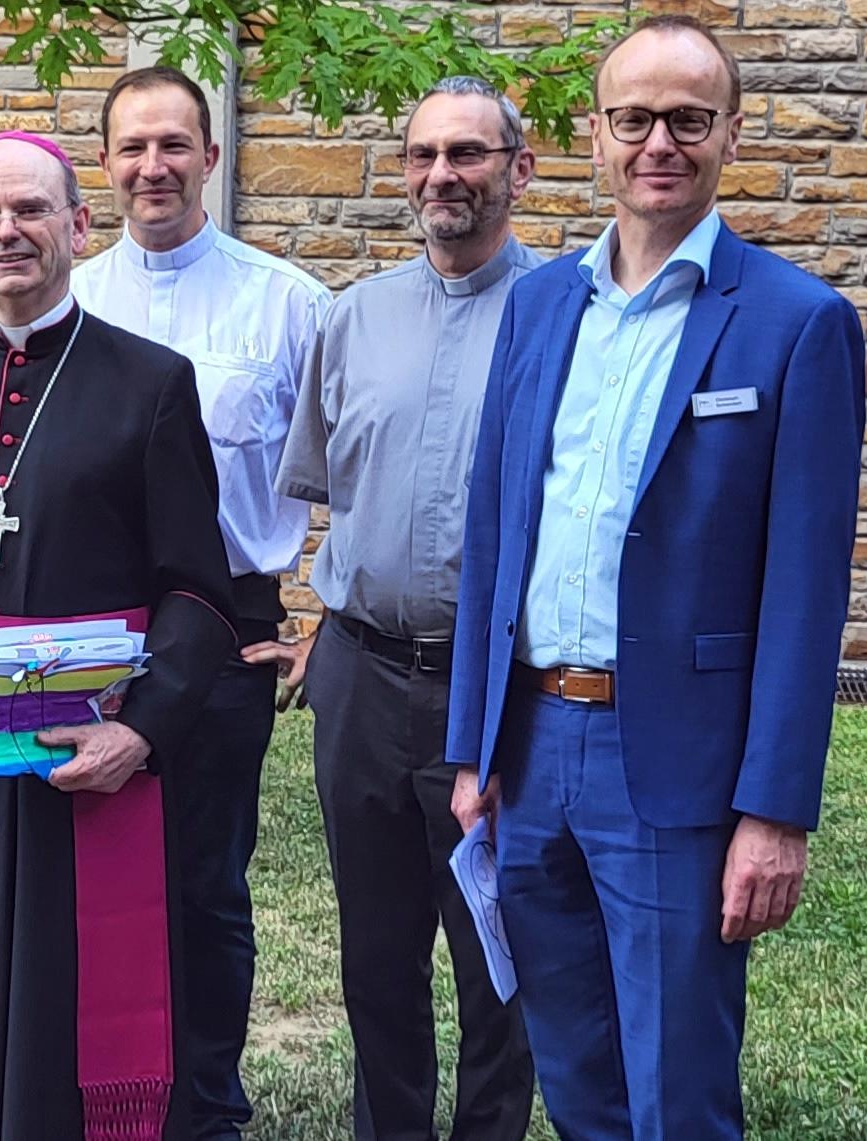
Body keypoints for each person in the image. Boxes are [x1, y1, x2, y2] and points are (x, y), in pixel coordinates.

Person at [445, 17, 866, 1138]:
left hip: (677, 766)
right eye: (633, 118)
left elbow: (806, 588)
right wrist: (474, 749)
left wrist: (775, 811)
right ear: (595, 135)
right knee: (577, 1076)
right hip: (533, 754)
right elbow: (495, 530)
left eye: (687, 119)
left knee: (677, 1092)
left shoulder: (797, 322)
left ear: (730, 132)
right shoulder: (538, 306)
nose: (658, 143)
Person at [0, 131, 237, 1141]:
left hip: (88, 754)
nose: (7, 231)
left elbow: (201, 595)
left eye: (30, 210)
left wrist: (140, 732)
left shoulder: (150, 383)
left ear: (77, 226)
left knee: (64, 1022)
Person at [276, 77, 541, 1141]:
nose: (445, 175)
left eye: (469, 154)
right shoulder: (351, 318)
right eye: (425, 154)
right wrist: (316, 626)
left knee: (496, 952)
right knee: (374, 954)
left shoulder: (560, 316)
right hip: (359, 678)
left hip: (498, 689)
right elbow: (337, 493)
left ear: (518, 170)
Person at [72, 66, 330, 1140]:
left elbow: (349, 466)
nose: (154, 167)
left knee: (206, 886)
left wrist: (329, 615)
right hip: (91, 627)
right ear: (106, 163)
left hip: (229, 623)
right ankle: (94, 1089)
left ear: (212, 160)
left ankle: (206, 1107)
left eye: (175, 145)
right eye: (133, 147)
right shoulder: (70, 297)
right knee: (92, 875)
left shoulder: (290, 304)